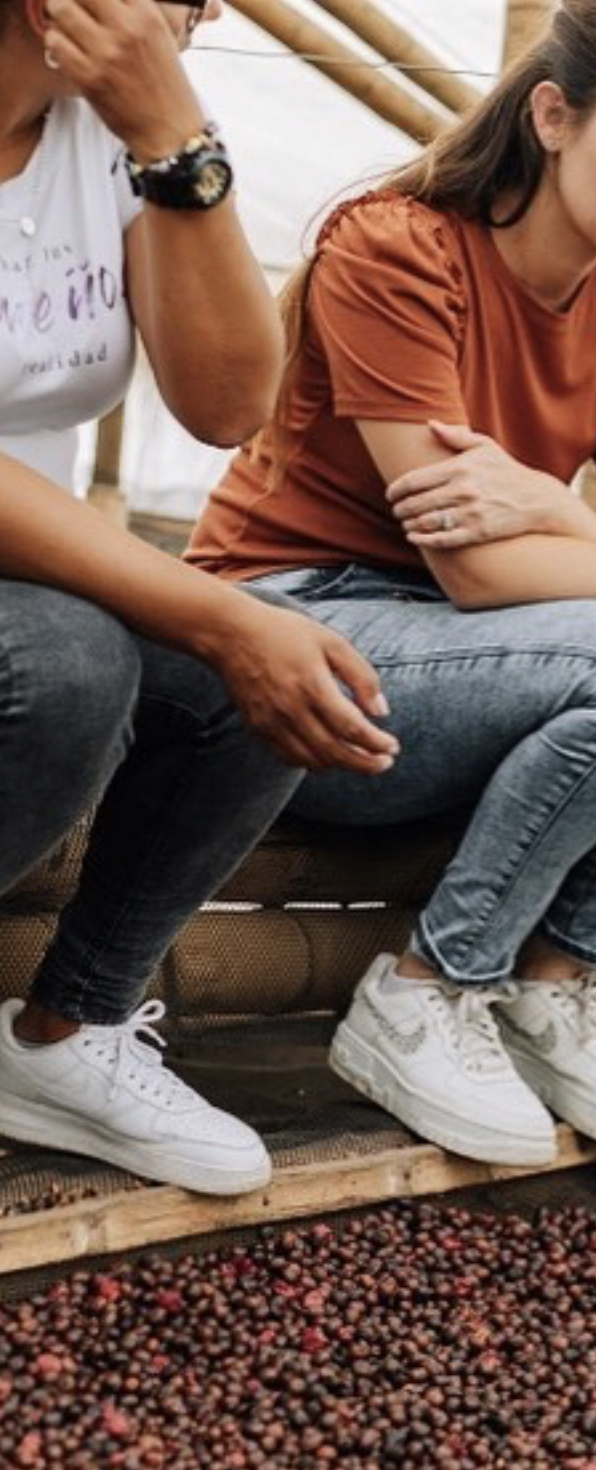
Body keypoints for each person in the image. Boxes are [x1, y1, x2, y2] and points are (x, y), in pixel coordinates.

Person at [188, 0, 596, 1169]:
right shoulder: (396, 247)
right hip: (289, 643)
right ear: (553, 116)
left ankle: (554, 986)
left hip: (464, 662)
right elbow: (495, 573)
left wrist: (547, 506)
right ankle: (430, 991)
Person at [0, 0, 398, 1195]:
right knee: (76, 661)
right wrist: (221, 613)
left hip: (27, 574)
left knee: (266, 675)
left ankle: (67, 1034)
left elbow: (226, 404)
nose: (211, 4)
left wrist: (173, 138)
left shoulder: (119, 128)